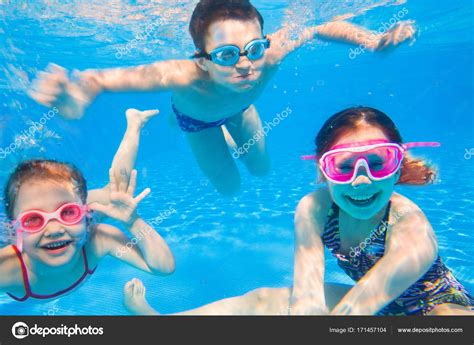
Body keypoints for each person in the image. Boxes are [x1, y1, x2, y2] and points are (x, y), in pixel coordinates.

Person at [29, 0, 416, 196]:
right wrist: (74, 100)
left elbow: (318, 27)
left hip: (240, 109)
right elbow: (100, 79)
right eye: (228, 55)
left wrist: (373, 40)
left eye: (253, 48)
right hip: (196, 121)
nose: (246, 65)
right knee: (230, 189)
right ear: (203, 60)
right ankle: (169, 121)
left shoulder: (270, 54)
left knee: (262, 169)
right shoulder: (183, 74)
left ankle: (231, 133)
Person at [123, 107, 473, 316]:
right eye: (343, 166)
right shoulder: (315, 208)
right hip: (381, 311)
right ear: (323, 173)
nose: (362, 181)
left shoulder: (409, 223)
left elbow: (364, 305)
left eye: (379, 163)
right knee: (263, 300)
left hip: (438, 309)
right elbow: (308, 292)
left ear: (397, 169)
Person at [0, 109, 175, 302]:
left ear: (86, 215)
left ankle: (134, 124)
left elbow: (163, 267)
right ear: (12, 230)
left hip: (79, 220)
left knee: (115, 194)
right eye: (33, 219)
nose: (55, 230)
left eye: (68, 212)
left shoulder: (98, 240)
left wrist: (133, 222)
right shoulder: (8, 269)